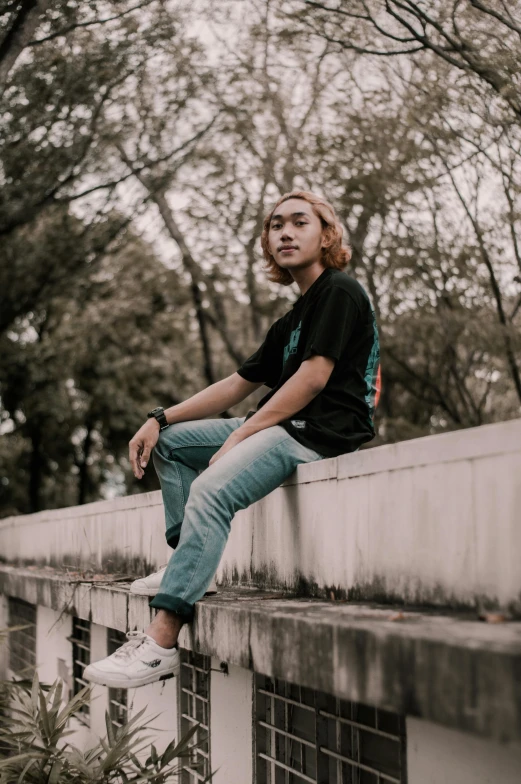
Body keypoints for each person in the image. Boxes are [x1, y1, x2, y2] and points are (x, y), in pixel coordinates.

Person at [84, 190, 380, 689]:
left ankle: (158, 643)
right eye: (275, 225)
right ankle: (188, 562)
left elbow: (312, 379)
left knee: (212, 489)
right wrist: (159, 417)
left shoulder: (341, 291)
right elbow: (237, 385)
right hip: (279, 424)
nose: (285, 232)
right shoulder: (293, 316)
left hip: (320, 431)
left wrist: (243, 432)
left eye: (299, 222)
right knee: (172, 443)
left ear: (326, 235)